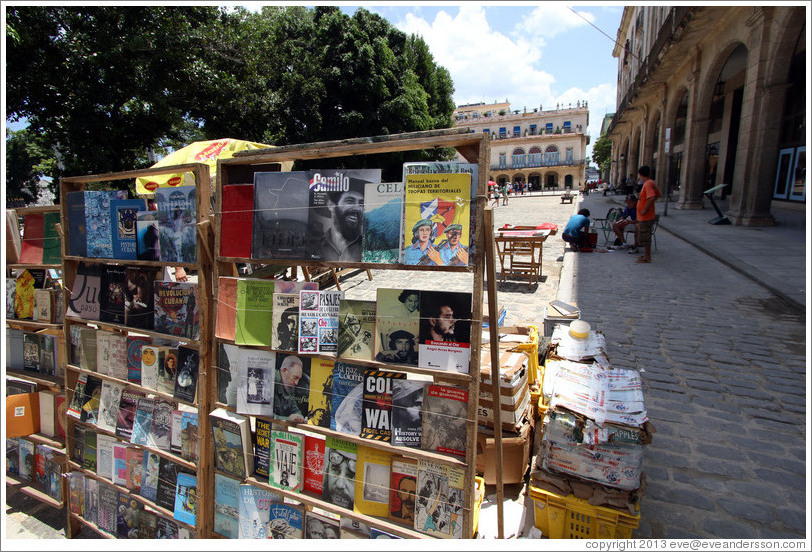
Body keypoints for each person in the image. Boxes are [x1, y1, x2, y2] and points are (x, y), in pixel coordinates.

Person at [317, 185, 364, 261]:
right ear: (331, 205)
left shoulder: (367, 247)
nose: (357, 208)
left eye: (361, 204)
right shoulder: (316, 245)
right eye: (350, 201)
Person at [634, 165, 662, 263]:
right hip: (646, 215)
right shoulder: (650, 183)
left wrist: (645, 209)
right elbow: (658, 194)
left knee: (646, 236)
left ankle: (647, 256)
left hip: (646, 216)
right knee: (644, 235)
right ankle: (646, 255)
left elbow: (652, 197)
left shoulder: (648, 184)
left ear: (640, 174)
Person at [273, 355, 306, 422]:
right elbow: (266, 415)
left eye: (299, 379)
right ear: (284, 371)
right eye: (295, 377)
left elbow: (294, 409)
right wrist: (288, 419)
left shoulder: (288, 385)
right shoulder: (271, 381)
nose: (296, 383)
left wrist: (299, 417)